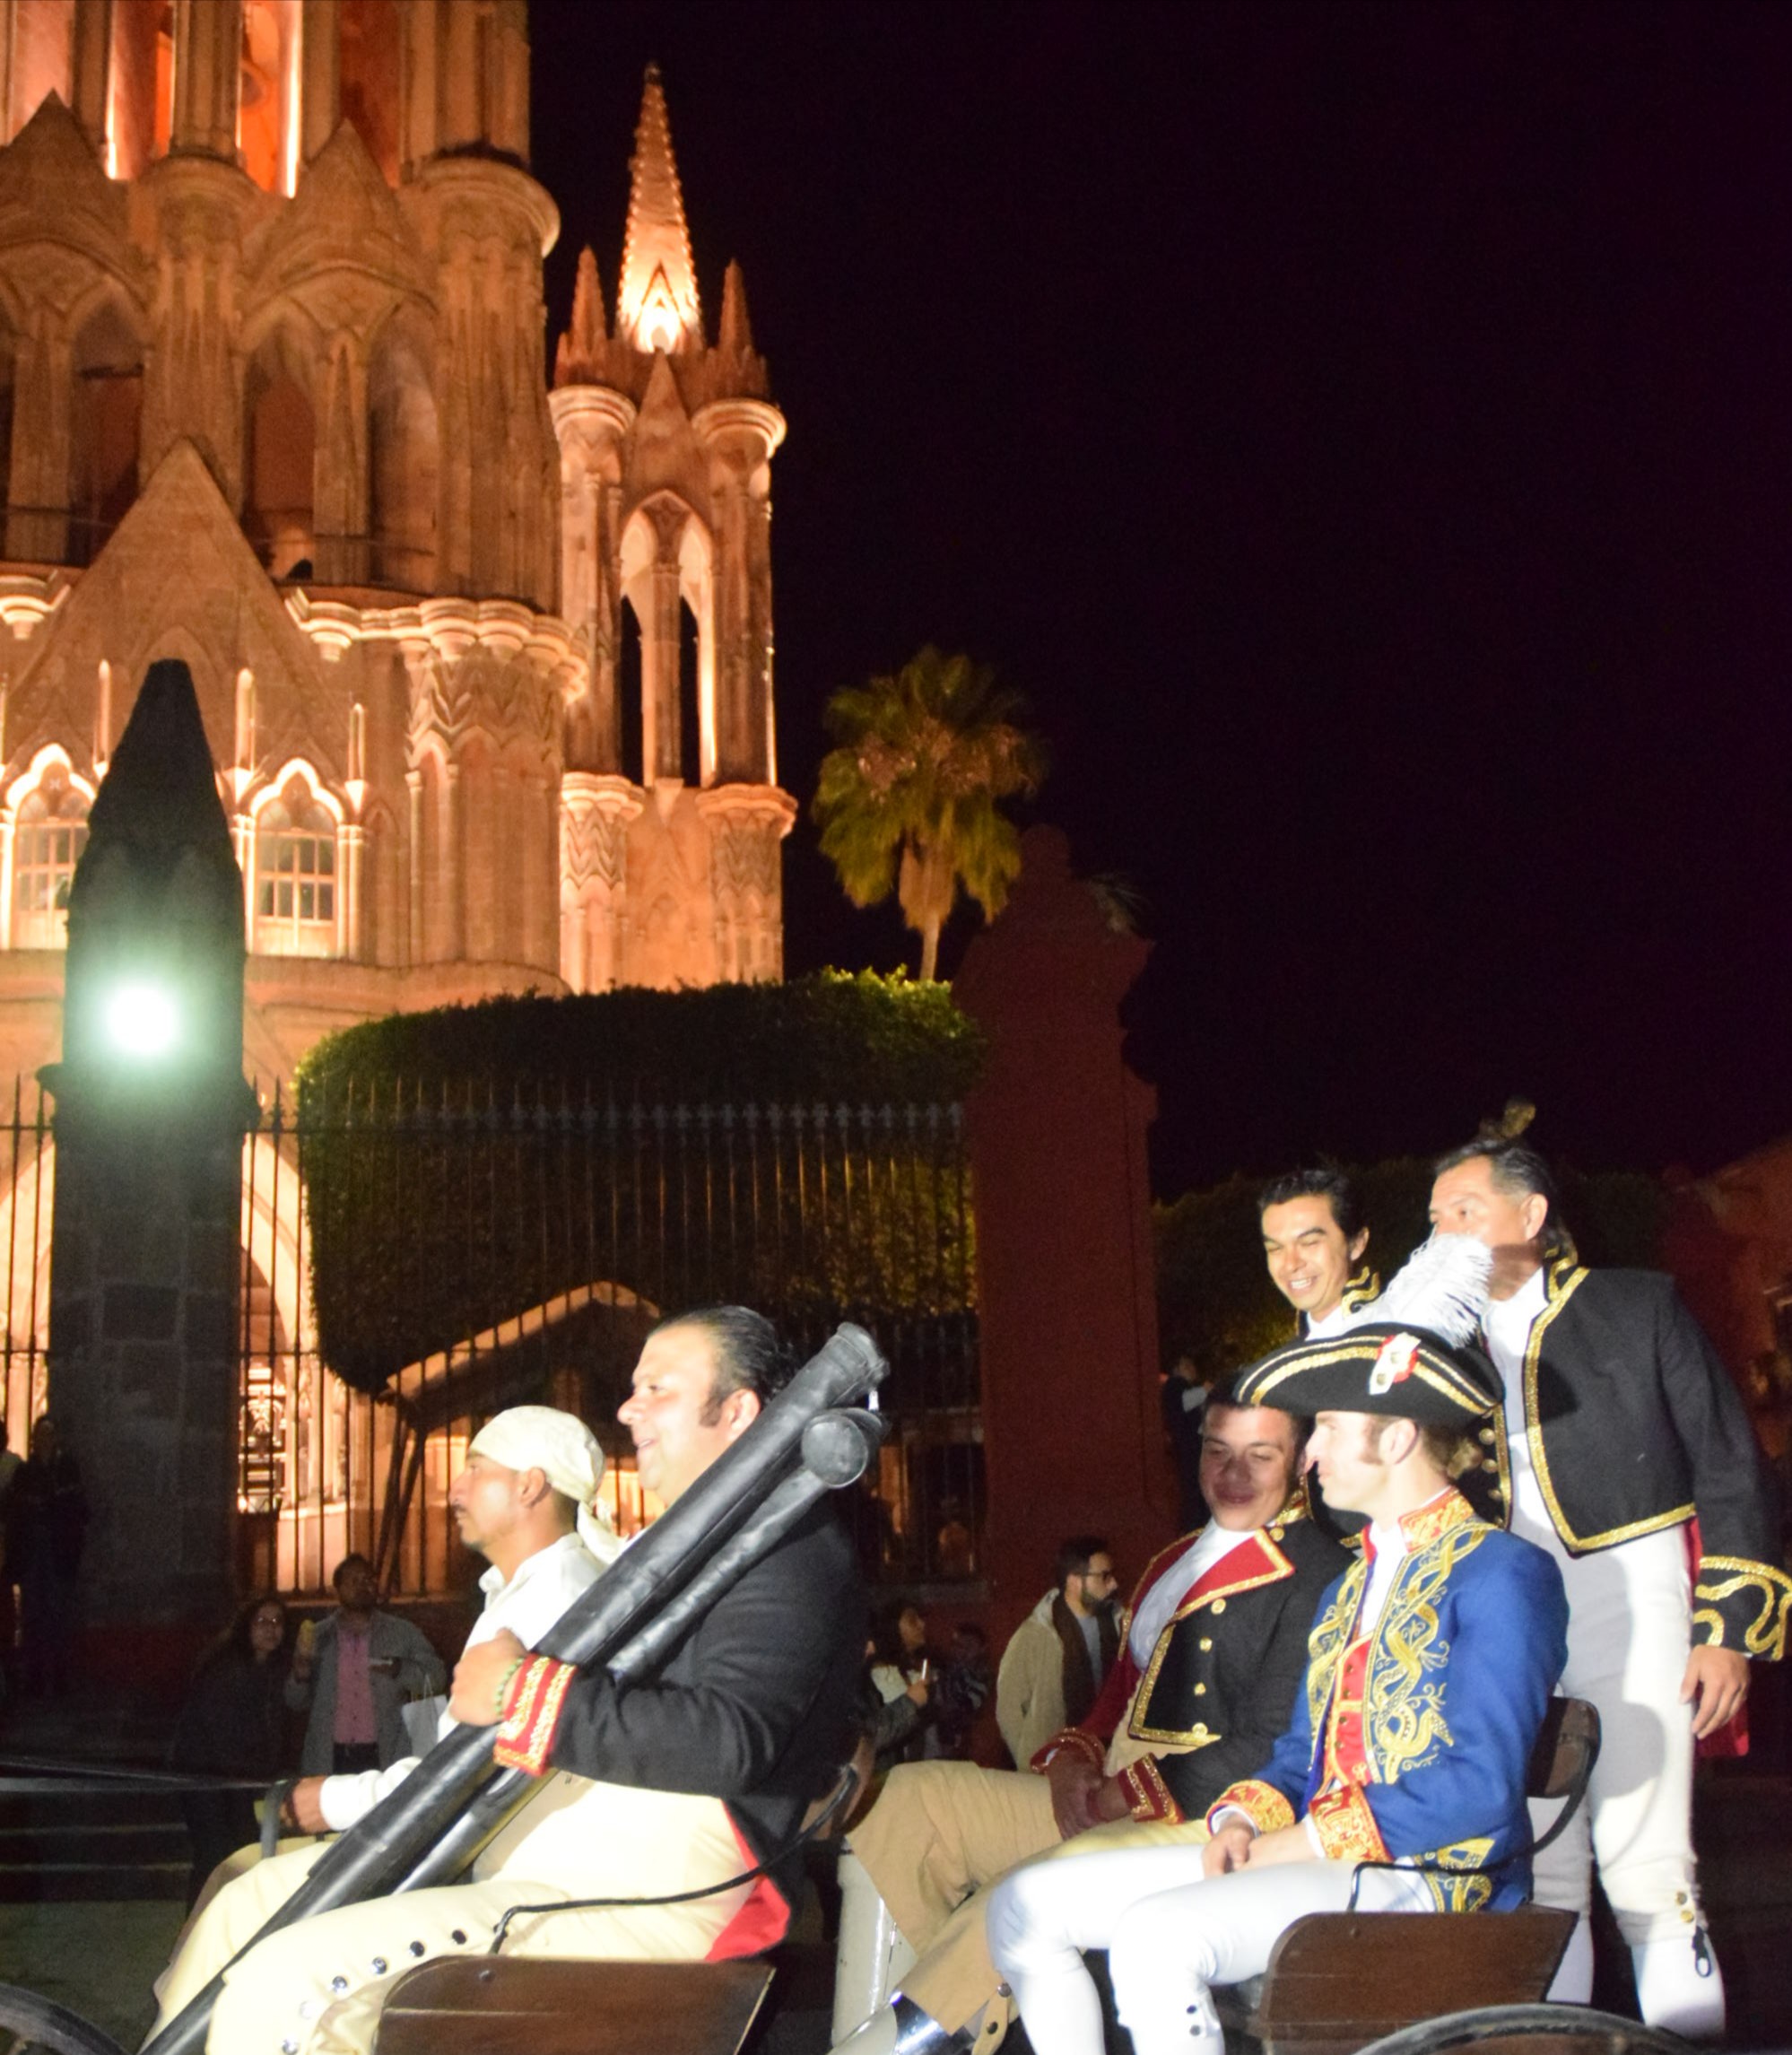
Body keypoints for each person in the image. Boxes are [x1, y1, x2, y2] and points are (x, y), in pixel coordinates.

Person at [154, 1308, 863, 2055]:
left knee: (283, 1983)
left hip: (640, 1892)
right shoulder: (694, 1540)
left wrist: (520, 1690)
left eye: (657, 1387)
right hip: (547, 1864)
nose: (628, 1407)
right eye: (632, 1387)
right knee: (249, 1911)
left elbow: (730, 1739)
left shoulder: (790, 1543)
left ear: (739, 1410)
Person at [986, 1240, 1569, 2055]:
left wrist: (1297, 1841)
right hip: (1314, 1858)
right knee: (1022, 1904)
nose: (1312, 1451)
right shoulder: (1348, 1586)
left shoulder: (1502, 1572)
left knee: (1158, 1938)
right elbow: (1298, 1755)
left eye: (1327, 1425)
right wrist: (1235, 1816)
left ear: (1397, 1438)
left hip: (1432, 1883)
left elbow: (1480, 1787)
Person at [832, 1398, 1345, 2055]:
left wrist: (1120, 1793)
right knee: (907, 1797)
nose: (1232, 1472)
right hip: (1107, 1793)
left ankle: (881, 2047)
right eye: (1217, 1450)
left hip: (1208, 1816)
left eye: (1260, 1454)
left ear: (1302, 1460)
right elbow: (1116, 1700)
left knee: (1013, 1894)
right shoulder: (1174, 1559)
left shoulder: (1322, 1573)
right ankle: (920, 2013)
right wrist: (1074, 1757)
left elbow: (1268, 1745)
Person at [1431, 1131, 1790, 2036]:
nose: (1443, 1233)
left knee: (1648, 1869)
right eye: (1434, 1219)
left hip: (1630, 1597)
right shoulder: (1437, 1355)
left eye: (1464, 1211)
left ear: (1532, 1214)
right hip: (1503, 1623)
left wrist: (1728, 1628)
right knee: (1540, 1878)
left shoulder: (1638, 1306)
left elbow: (1731, 1465)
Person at [153, 1406, 622, 2005]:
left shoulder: (549, 1598)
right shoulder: (529, 1590)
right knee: (235, 1883)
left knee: (241, 1902)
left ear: (530, 1484)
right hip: (453, 1835)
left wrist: (330, 1800)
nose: (454, 1488)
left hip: (494, 1868)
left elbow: (461, 1775)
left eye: (475, 1468)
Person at [168, 1595, 295, 1903]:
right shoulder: (228, 1669)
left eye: (277, 1622)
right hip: (209, 1778)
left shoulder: (270, 1670)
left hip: (235, 1779)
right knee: (215, 1857)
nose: (271, 1629)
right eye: (262, 1621)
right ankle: (199, 1929)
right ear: (246, 1626)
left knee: (238, 1854)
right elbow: (219, 1732)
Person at [286, 1553, 447, 1775]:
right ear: (338, 1588)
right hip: (329, 1758)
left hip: (386, 1755)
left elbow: (436, 1678)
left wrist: (400, 1669)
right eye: (354, 1581)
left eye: (369, 1580)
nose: (363, 1586)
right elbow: (294, 1702)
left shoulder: (402, 1633)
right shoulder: (318, 1635)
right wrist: (300, 1674)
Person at [996, 1537, 1119, 1769]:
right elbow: (1009, 1707)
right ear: (1074, 1581)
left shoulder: (1119, 1625)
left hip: (1110, 1762)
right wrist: (1033, 1760)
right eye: (1104, 1576)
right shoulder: (1037, 1634)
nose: (1113, 1584)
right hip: (1054, 1770)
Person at [9, 1416, 88, 1696]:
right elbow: (16, 1508)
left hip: (57, 1550)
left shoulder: (66, 1469)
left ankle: (58, 1674)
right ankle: (34, 1675)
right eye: (41, 1434)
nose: (45, 1439)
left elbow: (75, 1506)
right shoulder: (25, 1471)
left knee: (57, 1612)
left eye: (50, 1434)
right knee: (32, 1613)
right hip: (33, 1550)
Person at [1258, 1165, 1379, 1338]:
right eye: (1275, 1248)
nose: (1291, 1264)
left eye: (1309, 1243)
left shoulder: (1397, 1347)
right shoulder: (1285, 1359)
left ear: (1357, 1243)